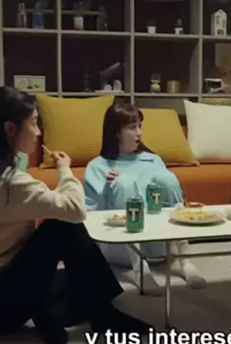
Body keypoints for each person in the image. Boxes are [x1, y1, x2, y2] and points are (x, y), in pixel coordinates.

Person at [0, 86, 151, 344]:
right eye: (34, 123)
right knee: (62, 227)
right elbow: (75, 209)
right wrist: (65, 170)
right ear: (10, 129)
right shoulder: (11, 183)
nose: (39, 132)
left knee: (79, 279)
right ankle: (102, 317)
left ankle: (49, 316)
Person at [83, 101, 206, 296]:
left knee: (167, 179)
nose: (139, 133)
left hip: (158, 243)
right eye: (132, 128)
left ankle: (185, 260)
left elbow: (171, 202)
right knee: (123, 183)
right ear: (116, 132)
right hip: (119, 247)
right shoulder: (98, 167)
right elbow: (90, 218)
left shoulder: (153, 160)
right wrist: (111, 188)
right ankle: (140, 269)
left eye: (140, 126)